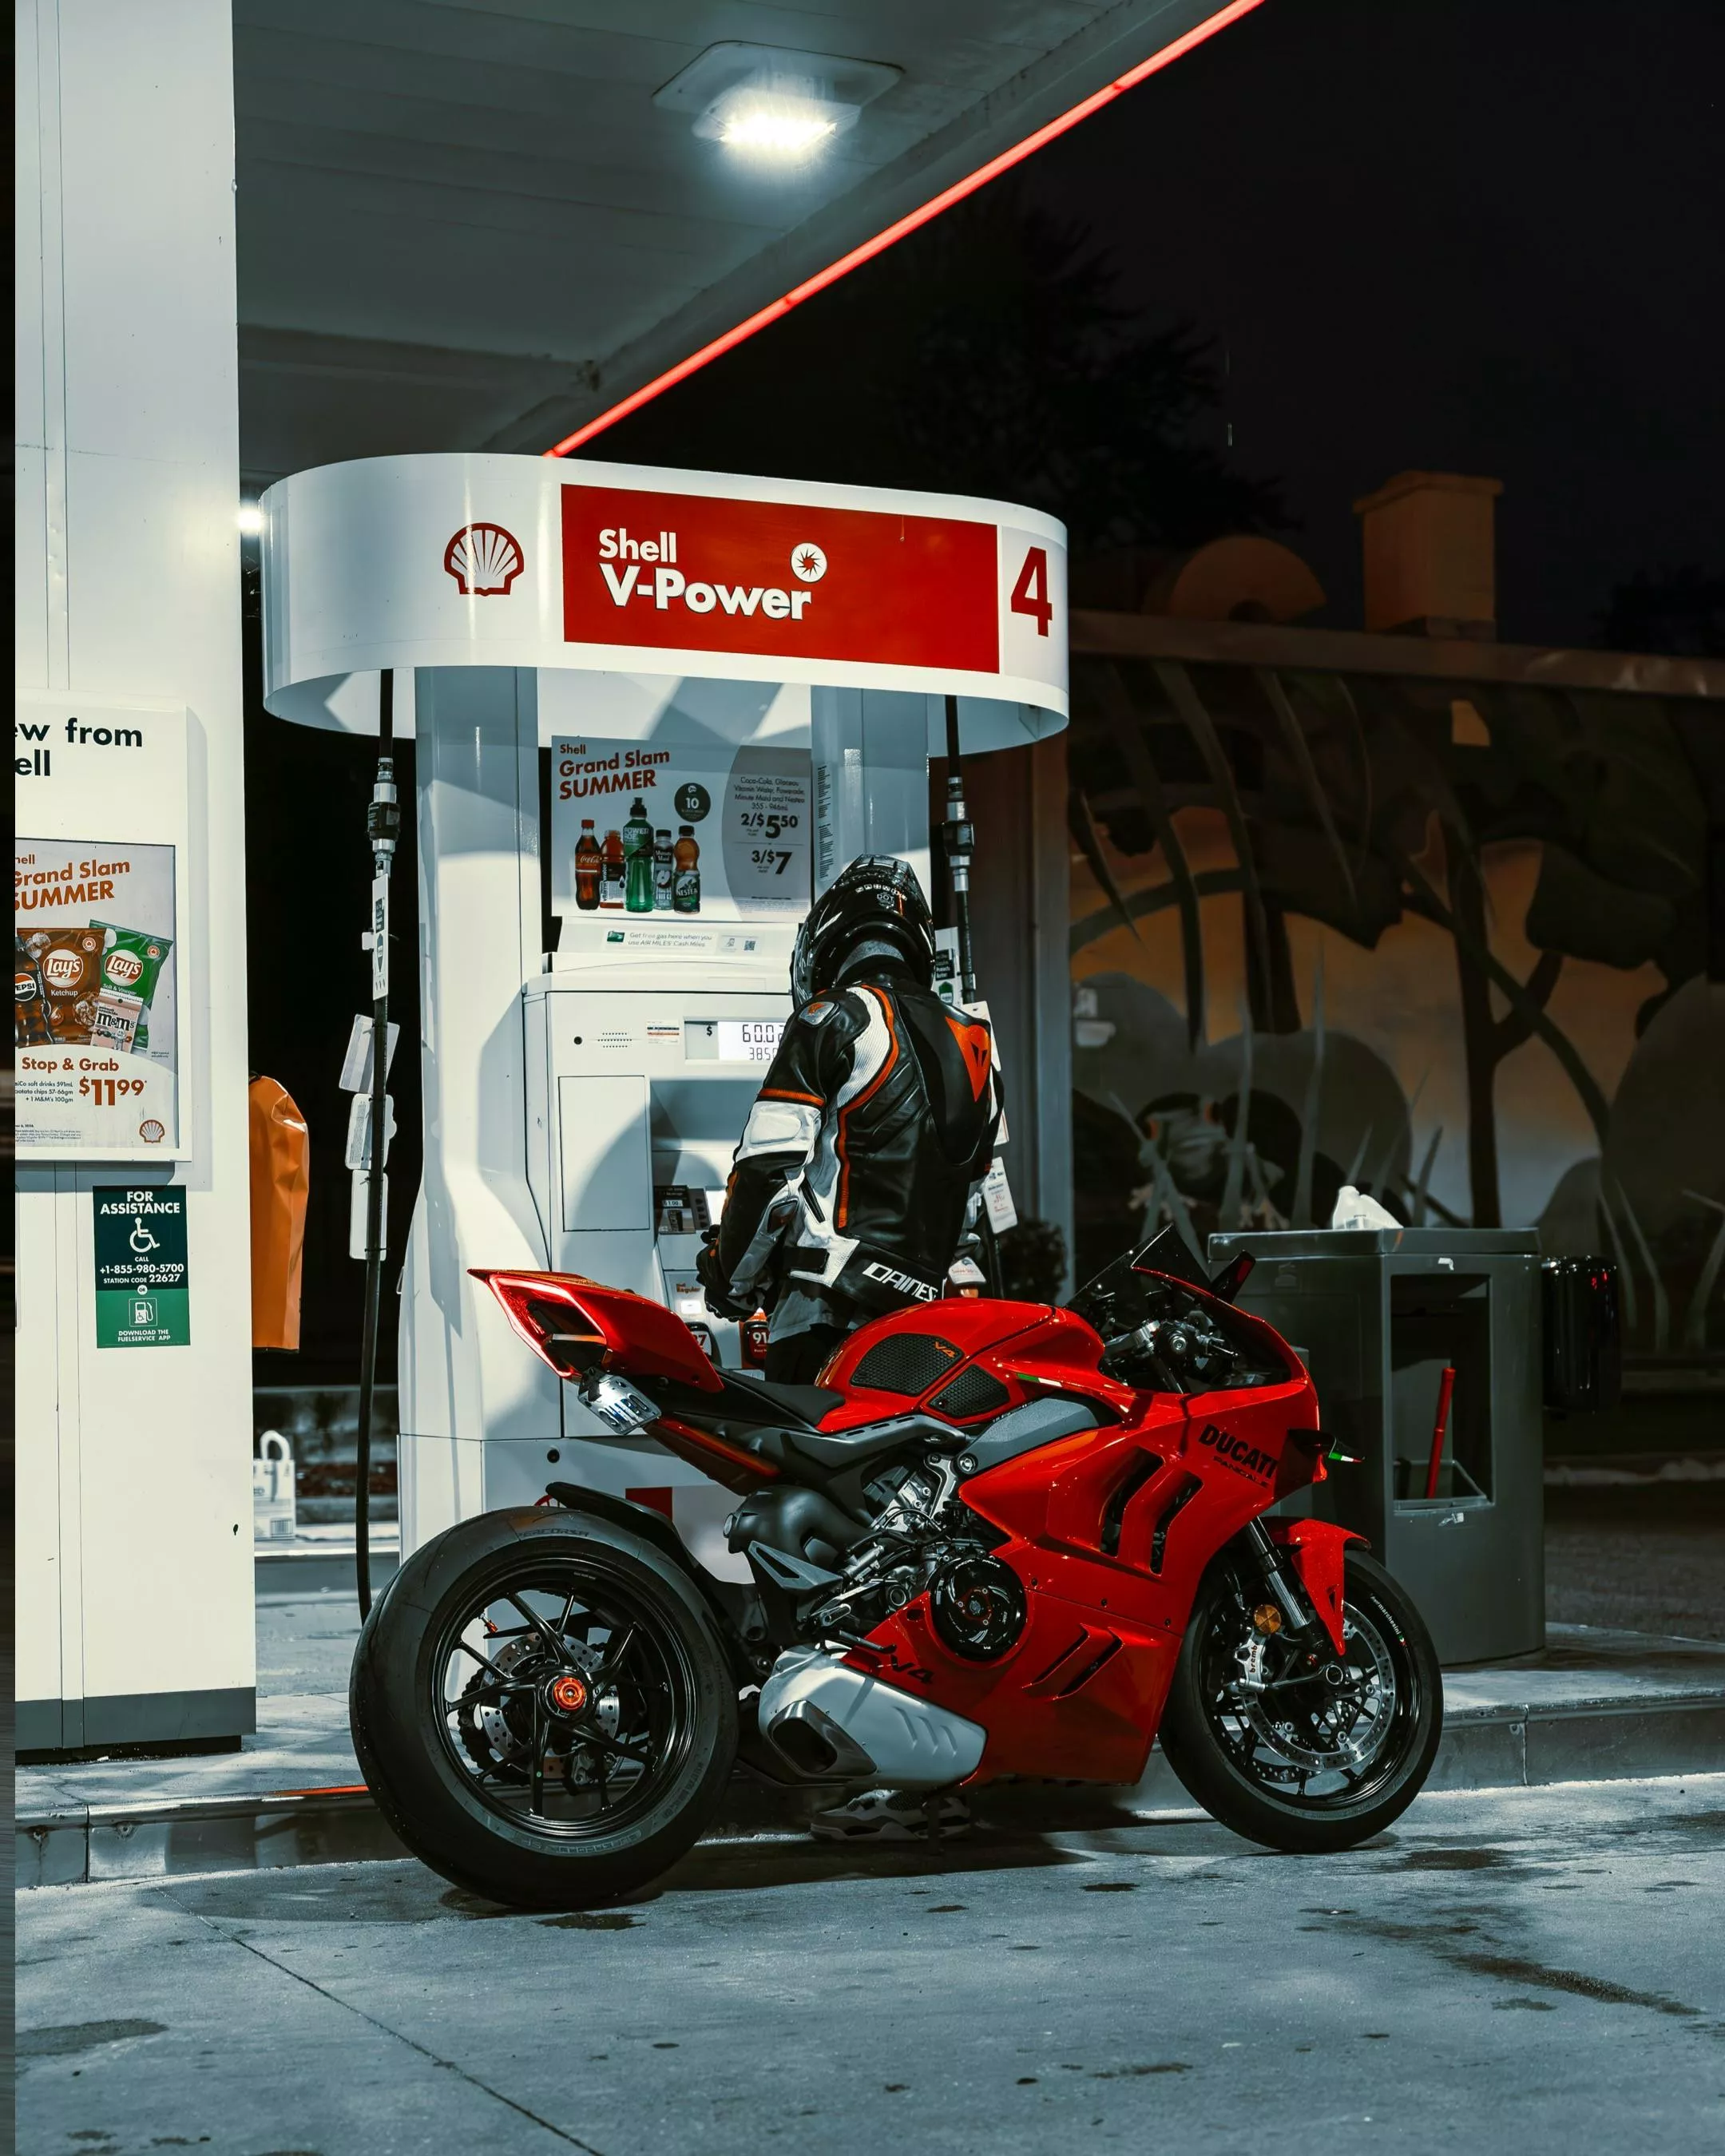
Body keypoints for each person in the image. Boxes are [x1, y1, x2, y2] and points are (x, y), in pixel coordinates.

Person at [696, 852, 1002, 1384]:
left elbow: (768, 1172)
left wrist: (729, 1281)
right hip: (927, 1334)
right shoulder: (978, 1044)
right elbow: (970, 1208)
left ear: (826, 937)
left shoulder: (833, 1016)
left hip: (826, 1320)